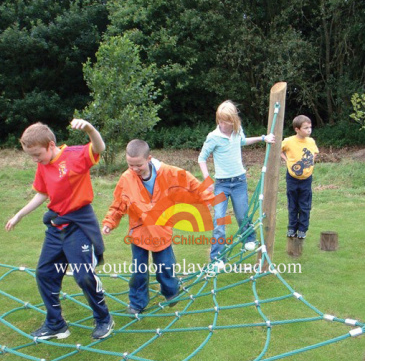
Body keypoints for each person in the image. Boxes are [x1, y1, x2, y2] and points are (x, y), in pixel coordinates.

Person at [5, 119, 114, 340]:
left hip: (79, 225)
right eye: (31, 156)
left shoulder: (75, 155)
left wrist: (90, 130)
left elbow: (99, 148)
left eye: (37, 154)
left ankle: (104, 319)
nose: (35, 160)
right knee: (44, 273)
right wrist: (19, 214)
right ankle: (56, 324)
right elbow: (42, 193)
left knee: (83, 276)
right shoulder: (42, 166)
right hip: (56, 225)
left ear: (51, 144)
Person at [102, 139, 214, 314]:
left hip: (161, 229)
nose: (134, 169)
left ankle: (171, 292)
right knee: (139, 272)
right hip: (139, 231)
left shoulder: (167, 173)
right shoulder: (127, 178)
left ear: (149, 159)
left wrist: (207, 197)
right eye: (130, 165)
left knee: (165, 267)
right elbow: (118, 204)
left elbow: (190, 184)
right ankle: (137, 304)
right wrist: (110, 222)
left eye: (138, 165)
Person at [198, 100, 275, 264]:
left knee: (242, 215)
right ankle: (217, 258)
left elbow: (242, 141)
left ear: (234, 120)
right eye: (222, 120)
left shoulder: (237, 131)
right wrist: (207, 178)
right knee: (219, 220)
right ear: (218, 119)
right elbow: (201, 158)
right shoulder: (213, 137)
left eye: (228, 121)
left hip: (239, 182)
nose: (225, 124)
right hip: (221, 185)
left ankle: (249, 238)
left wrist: (263, 138)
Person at [280, 115, 319, 239]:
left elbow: (315, 153)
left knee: (304, 205)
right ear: (297, 129)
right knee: (293, 204)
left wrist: (310, 163)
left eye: (310, 127)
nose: (309, 130)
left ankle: (302, 229)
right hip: (292, 178)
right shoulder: (288, 141)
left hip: (306, 179)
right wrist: (287, 160)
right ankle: (292, 228)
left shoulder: (311, 141)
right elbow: (278, 150)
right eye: (306, 128)